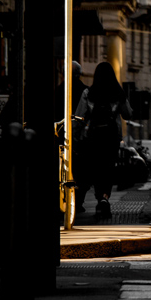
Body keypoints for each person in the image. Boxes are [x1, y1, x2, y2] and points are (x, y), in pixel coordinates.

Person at [75, 62, 133, 218]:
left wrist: (75, 136)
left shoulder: (89, 93)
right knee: (108, 168)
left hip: (93, 138)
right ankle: (104, 198)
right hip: (111, 138)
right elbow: (128, 114)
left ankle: (96, 197)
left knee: (94, 168)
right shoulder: (118, 93)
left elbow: (80, 117)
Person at [56, 61, 89, 211]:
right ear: (79, 74)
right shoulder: (86, 91)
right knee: (81, 170)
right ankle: (78, 201)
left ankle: (62, 198)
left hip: (60, 134)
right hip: (81, 137)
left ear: (63, 74)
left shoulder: (57, 91)